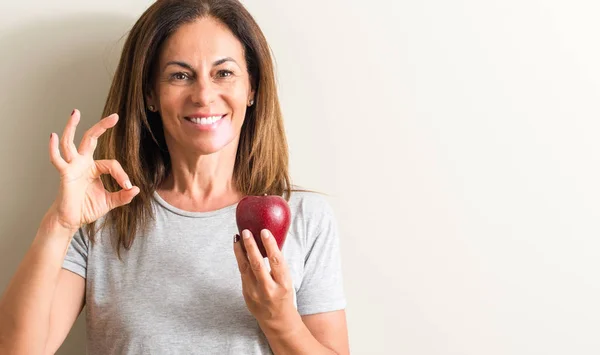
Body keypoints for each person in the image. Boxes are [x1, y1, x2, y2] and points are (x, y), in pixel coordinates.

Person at [0, 0, 349, 354]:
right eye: (180, 75)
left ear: (252, 88)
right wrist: (59, 223)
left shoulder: (306, 218)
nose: (203, 95)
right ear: (150, 93)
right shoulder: (101, 217)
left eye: (223, 73)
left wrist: (280, 321)